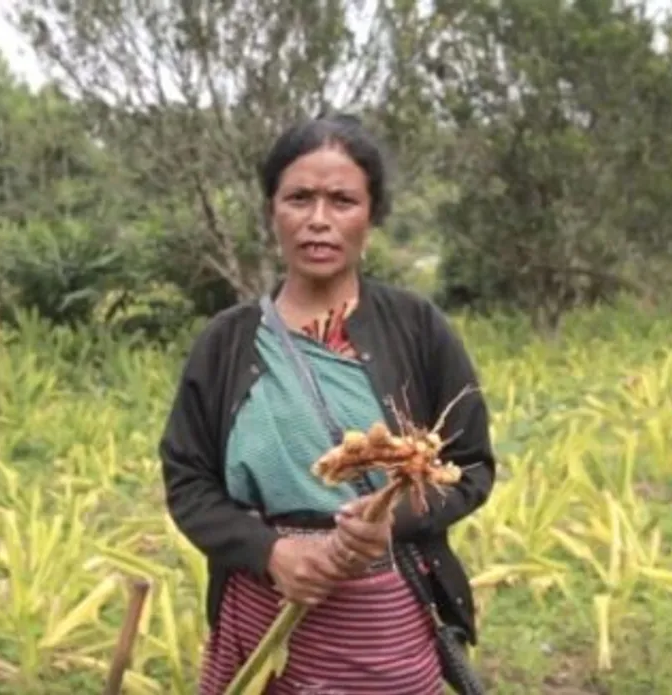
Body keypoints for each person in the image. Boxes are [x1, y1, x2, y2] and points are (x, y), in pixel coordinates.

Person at [159, 113, 497, 694]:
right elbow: (188, 480)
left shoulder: (416, 328)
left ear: (371, 215)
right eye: (299, 198)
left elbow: (469, 464)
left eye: (342, 200)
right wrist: (270, 551)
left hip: (384, 620)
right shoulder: (227, 342)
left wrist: (393, 520)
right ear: (273, 212)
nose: (319, 220)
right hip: (264, 609)